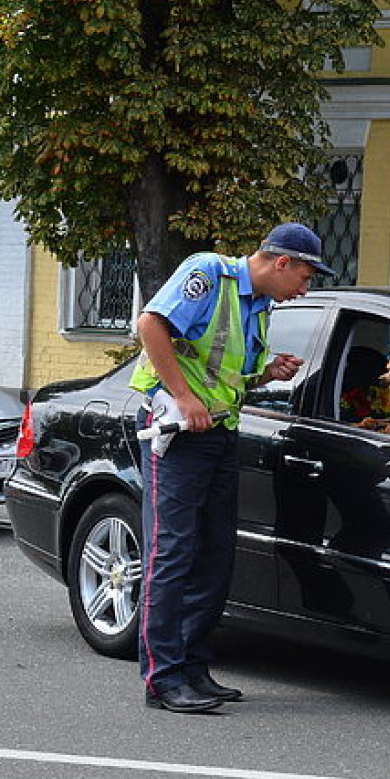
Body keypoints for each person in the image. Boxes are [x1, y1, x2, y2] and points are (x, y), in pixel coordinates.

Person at [130, 222, 331, 712]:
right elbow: (150, 325)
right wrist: (183, 395)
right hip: (176, 431)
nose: (304, 290)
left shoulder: (259, 306)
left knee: (214, 553)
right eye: (304, 278)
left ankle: (194, 668)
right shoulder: (208, 274)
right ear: (280, 262)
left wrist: (267, 373)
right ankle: (163, 678)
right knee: (172, 552)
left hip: (219, 432)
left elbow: (226, 374)